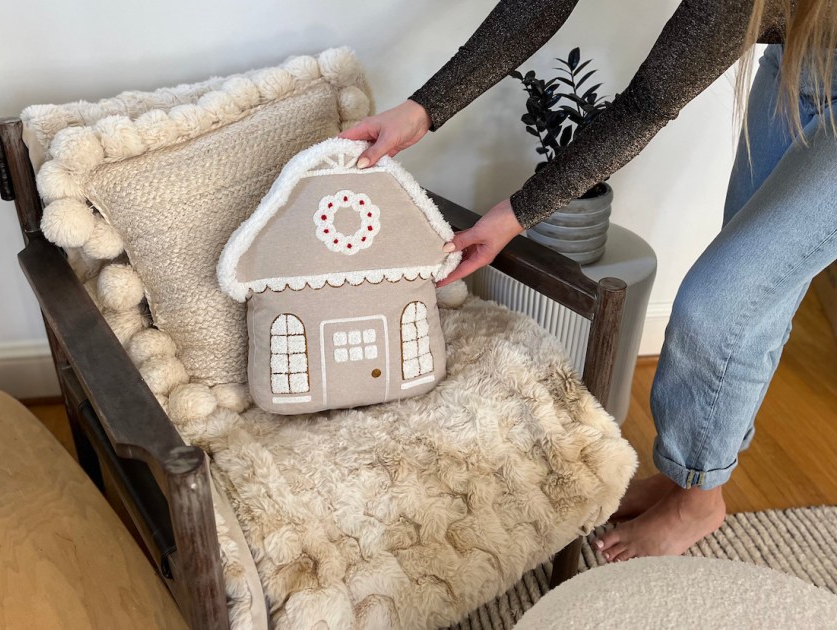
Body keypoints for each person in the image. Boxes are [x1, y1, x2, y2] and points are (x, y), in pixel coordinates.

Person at [341, 0, 837, 562]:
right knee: (757, 295)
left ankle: (699, 499)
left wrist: (516, 215)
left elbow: (650, 102)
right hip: (804, 58)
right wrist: (423, 109)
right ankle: (686, 478)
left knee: (723, 305)